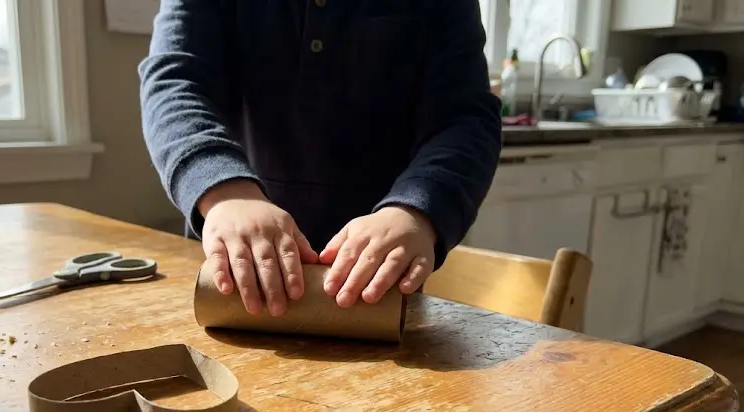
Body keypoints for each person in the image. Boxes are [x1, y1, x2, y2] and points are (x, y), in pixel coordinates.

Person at [139, 0, 502, 317]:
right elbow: (174, 83)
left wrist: (416, 211)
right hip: (228, 282)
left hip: (378, 298)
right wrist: (226, 193)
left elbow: (464, 119)